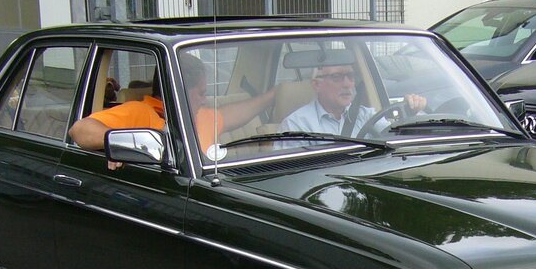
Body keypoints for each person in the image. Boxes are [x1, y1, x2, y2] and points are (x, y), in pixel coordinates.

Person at [68, 53, 276, 165]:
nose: (205, 100)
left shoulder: (200, 116)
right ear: (181, 91)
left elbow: (237, 114)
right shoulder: (140, 111)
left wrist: (273, 95)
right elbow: (79, 130)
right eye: (202, 93)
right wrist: (122, 145)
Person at [280, 63, 425, 138]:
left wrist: (411, 114)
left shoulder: (367, 116)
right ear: (316, 85)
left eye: (350, 76)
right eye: (336, 77)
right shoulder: (296, 125)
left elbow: (395, 140)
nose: (347, 84)